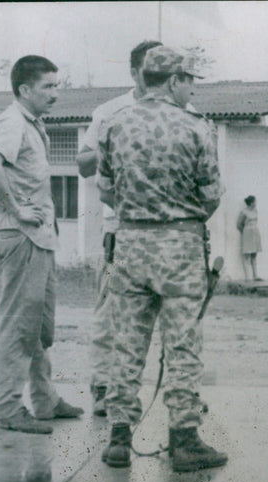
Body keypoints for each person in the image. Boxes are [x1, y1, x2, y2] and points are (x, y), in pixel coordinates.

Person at [96, 46, 226, 472]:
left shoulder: (116, 124)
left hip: (129, 244)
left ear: (142, 78)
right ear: (172, 81)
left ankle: (118, 436)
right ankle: (184, 439)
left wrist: (137, 213)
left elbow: (104, 188)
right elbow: (210, 195)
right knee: (183, 344)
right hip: (180, 248)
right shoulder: (194, 126)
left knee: (127, 341)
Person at [0, 55, 83, 435]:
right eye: (48, 87)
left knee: (39, 326)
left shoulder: (32, 124)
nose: (55, 94)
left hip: (39, 238)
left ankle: (44, 400)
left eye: (57, 86)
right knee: (18, 326)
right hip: (22, 237)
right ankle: (9, 409)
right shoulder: (12, 121)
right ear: (25, 90)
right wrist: (17, 210)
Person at [76, 40, 162, 417]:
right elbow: (82, 163)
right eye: (150, 66)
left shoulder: (181, 108)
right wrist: (116, 140)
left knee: (176, 317)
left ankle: (181, 395)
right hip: (122, 229)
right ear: (133, 72)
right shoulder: (110, 111)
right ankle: (103, 387)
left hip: (168, 233)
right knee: (112, 313)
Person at [236, 195, 262, 281]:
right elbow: (239, 224)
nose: (256, 203)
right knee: (247, 255)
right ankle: (248, 277)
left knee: (254, 255)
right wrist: (245, 232)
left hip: (255, 232)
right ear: (251, 203)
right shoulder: (244, 212)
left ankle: (256, 276)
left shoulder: (255, 211)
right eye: (255, 201)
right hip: (247, 233)